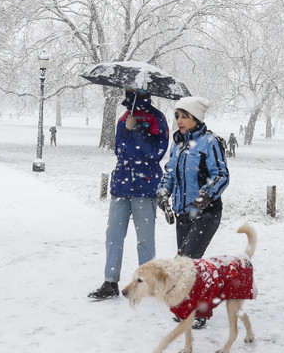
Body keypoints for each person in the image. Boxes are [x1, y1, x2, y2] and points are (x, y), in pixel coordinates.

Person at [88, 89, 170, 300]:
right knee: (113, 236)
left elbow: (157, 153)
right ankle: (110, 281)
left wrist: (138, 131)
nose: (130, 92)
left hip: (145, 186)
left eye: (134, 89)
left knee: (145, 239)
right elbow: (119, 150)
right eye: (128, 89)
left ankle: (146, 282)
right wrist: (126, 129)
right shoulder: (124, 117)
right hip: (121, 187)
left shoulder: (156, 118)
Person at [157, 96, 230, 328]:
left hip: (206, 212)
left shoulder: (210, 142)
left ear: (196, 119)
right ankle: (188, 305)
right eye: (177, 115)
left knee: (190, 262)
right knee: (184, 262)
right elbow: (169, 172)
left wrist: (203, 198)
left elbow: (221, 175)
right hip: (182, 213)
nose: (179, 120)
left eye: (184, 116)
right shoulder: (177, 143)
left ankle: (198, 312)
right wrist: (163, 194)